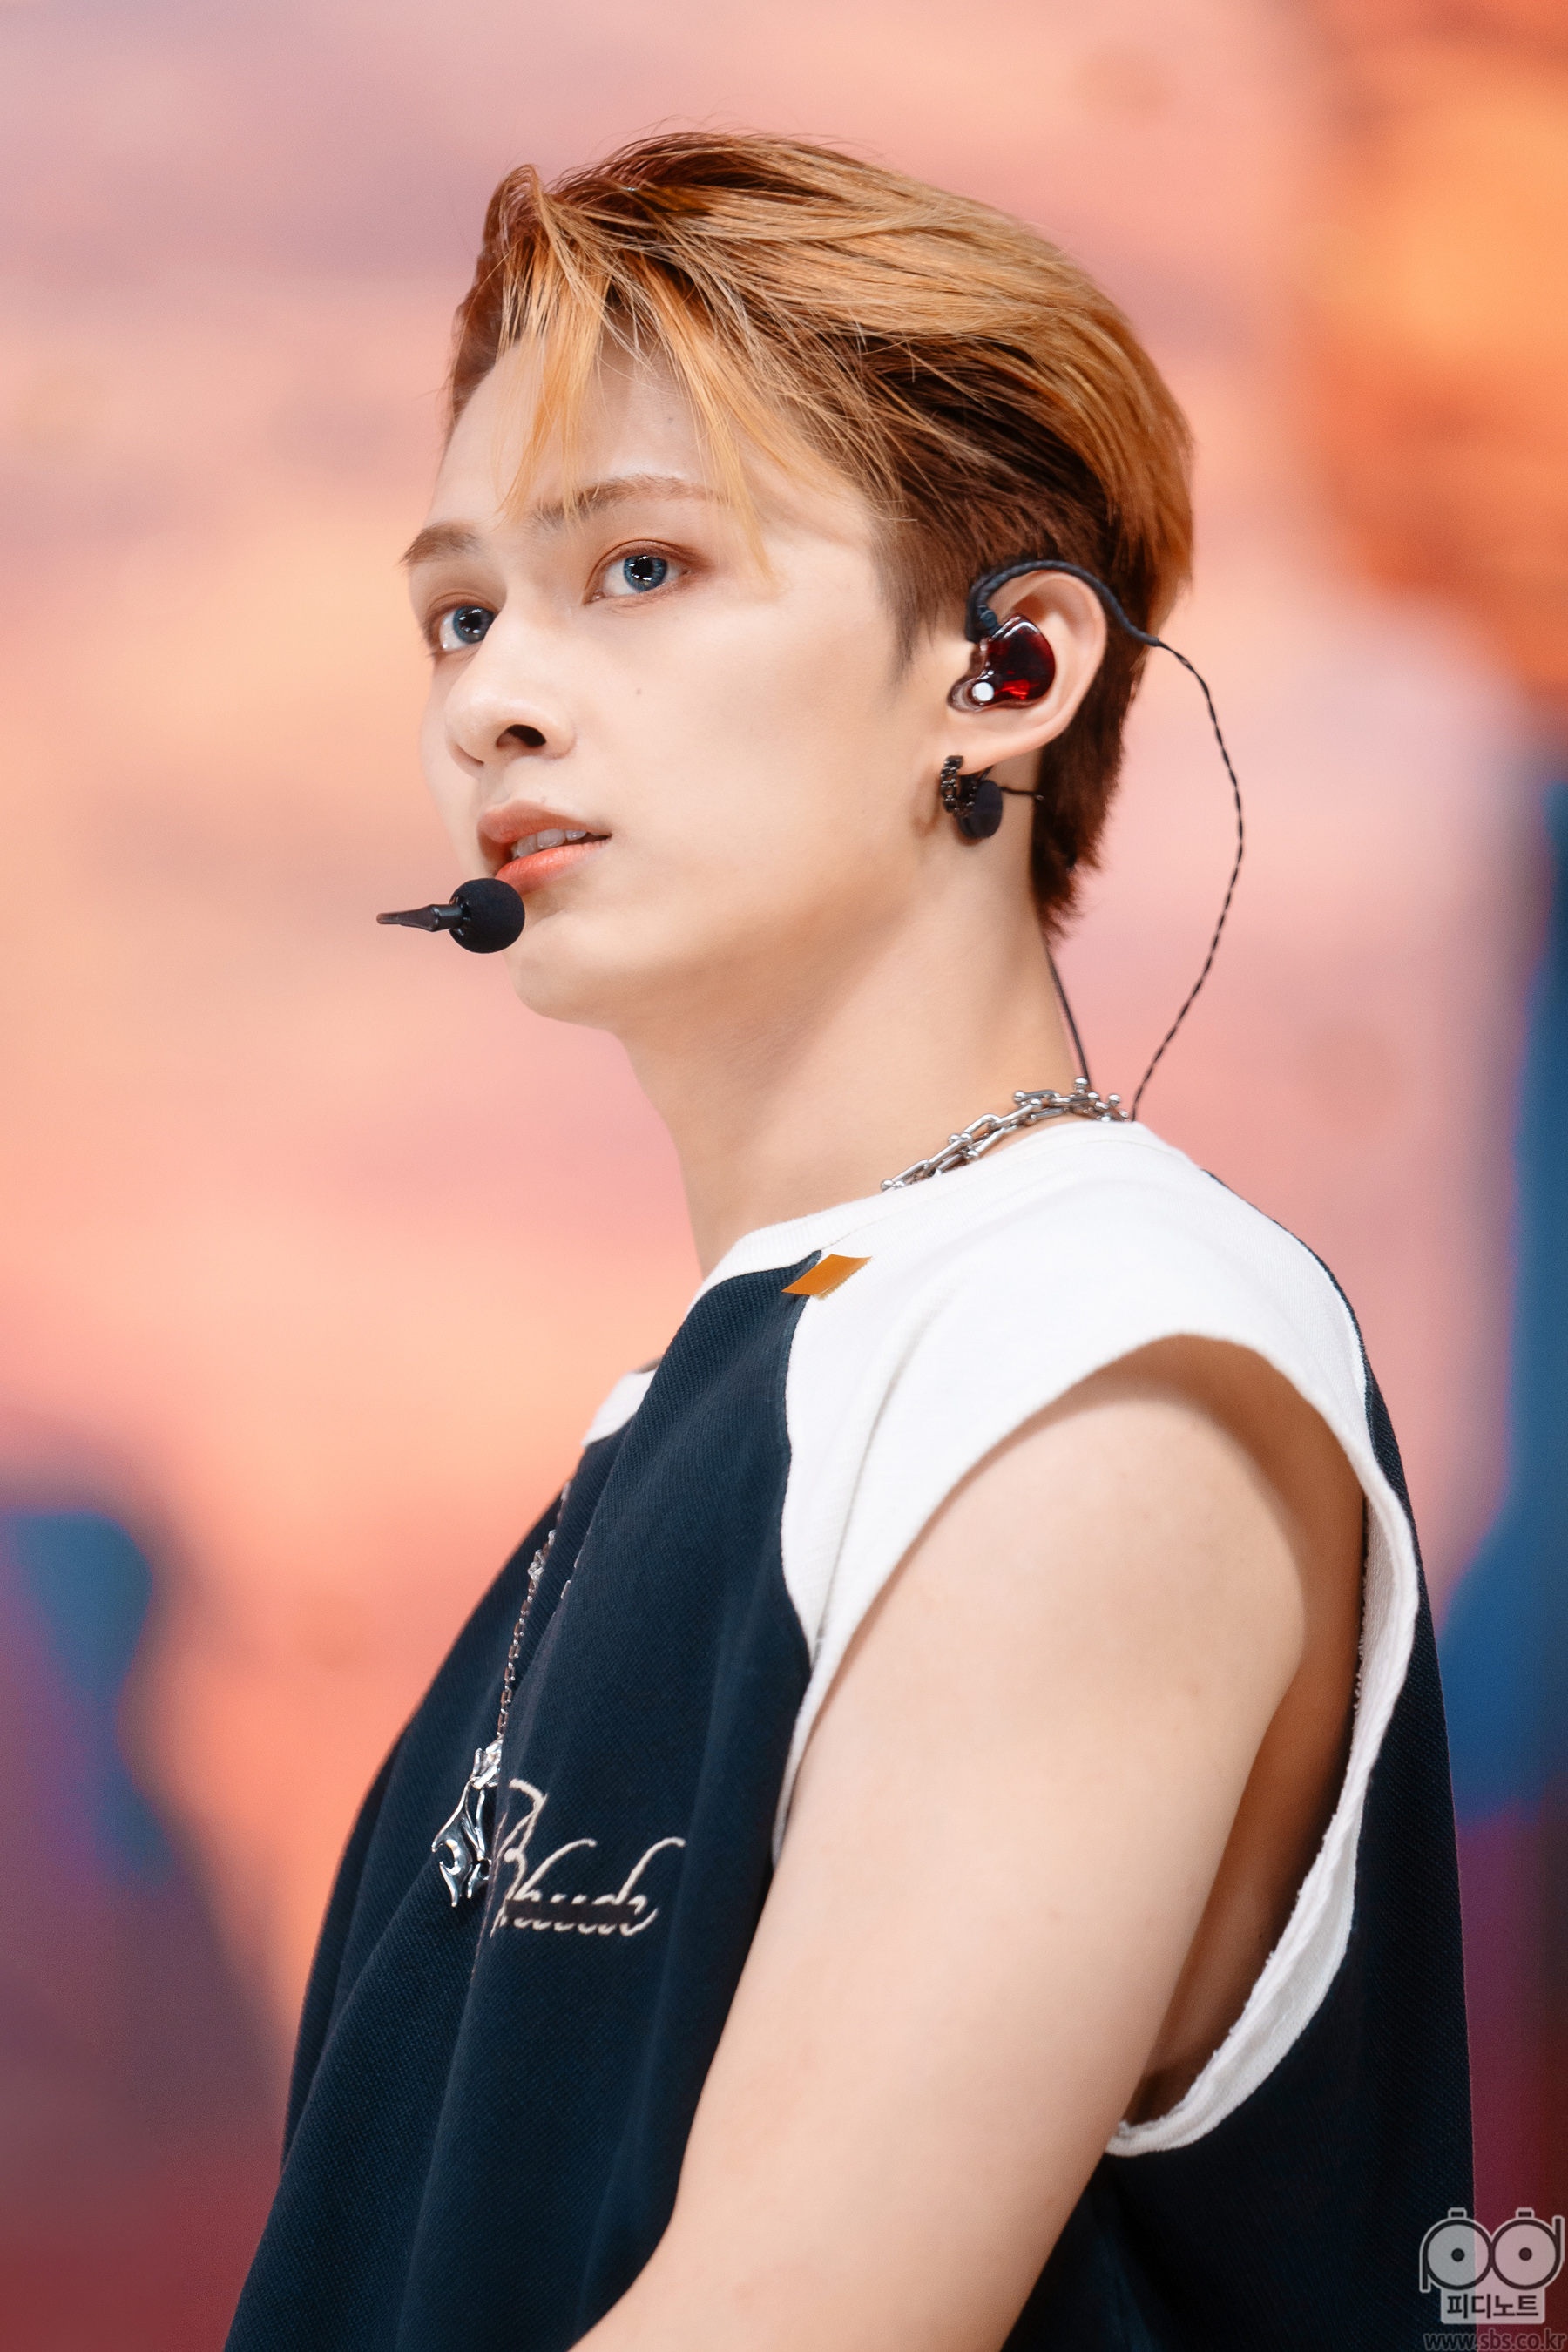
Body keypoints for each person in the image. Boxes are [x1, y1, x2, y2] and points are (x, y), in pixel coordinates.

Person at [226, 133, 1470, 2351]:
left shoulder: (1095, 1356)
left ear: (1006, 669)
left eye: (641, 566)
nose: (491, 697)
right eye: (461, 611)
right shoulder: (765, 1386)